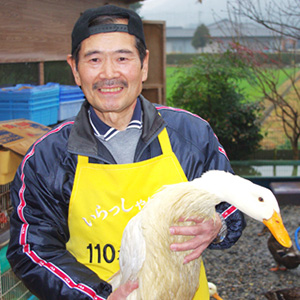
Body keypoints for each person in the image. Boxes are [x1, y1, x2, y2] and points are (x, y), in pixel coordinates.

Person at [7, 4, 245, 300]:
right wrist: (98, 296)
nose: (109, 74)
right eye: (94, 59)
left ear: (144, 65)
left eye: (122, 58)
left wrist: (218, 225)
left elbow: (232, 202)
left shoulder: (191, 135)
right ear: (75, 69)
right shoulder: (47, 157)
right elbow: (32, 247)